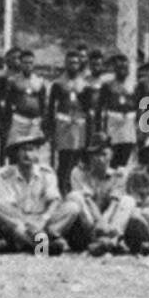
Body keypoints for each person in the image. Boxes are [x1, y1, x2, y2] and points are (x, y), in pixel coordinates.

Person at [0, 127, 80, 254]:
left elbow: (54, 201)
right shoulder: (4, 174)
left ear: (37, 153)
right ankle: (39, 245)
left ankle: (26, 243)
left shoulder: (46, 172)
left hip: (42, 220)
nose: (27, 155)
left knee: (72, 207)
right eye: (23, 150)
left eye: (31, 150)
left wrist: (43, 220)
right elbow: (9, 207)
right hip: (18, 221)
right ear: (16, 153)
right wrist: (28, 224)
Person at [68, 135, 137, 255]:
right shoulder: (79, 172)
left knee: (128, 200)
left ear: (111, 155)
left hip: (108, 224)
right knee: (75, 196)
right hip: (88, 226)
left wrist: (104, 222)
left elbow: (114, 203)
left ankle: (110, 240)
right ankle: (102, 241)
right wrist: (100, 222)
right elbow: (87, 201)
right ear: (89, 156)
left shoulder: (118, 174)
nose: (100, 159)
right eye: (96, 155)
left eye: (104, 154)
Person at [47, 47, 91, 194]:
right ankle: (61, 187)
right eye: (70, 62)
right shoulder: (58, 84)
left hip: (79, 125)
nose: (73, 65)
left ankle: (72, 186)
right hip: (63, 124)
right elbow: (51, 107)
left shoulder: (84, 84)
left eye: (76, 63)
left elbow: (87, 108)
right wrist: (50, 128)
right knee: (64, 158)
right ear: (65, 64)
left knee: (76, 158)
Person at [0, 48, 48, 160]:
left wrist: (43, 124)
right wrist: (6, 125)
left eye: (30, 63)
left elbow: (43, 104)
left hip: (34, 123)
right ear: (20, 63)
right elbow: (8, 104)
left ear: (34, 64)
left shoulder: (39, 82)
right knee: (16, 152)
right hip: (18, 121)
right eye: (25, 63)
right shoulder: (13, 81)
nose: (28, 65)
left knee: (32, 154)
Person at [96, 53, 138, 168]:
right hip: (113, 126)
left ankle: (121, 184)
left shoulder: (134, 86)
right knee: (112, 160)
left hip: (128, 126)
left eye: (125, 68)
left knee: (125, 160)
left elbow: (139, 107)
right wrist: (100, 130)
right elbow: (99, 109)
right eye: (120, 68)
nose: (123, 71)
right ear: (115, 69)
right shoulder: (107, 85)